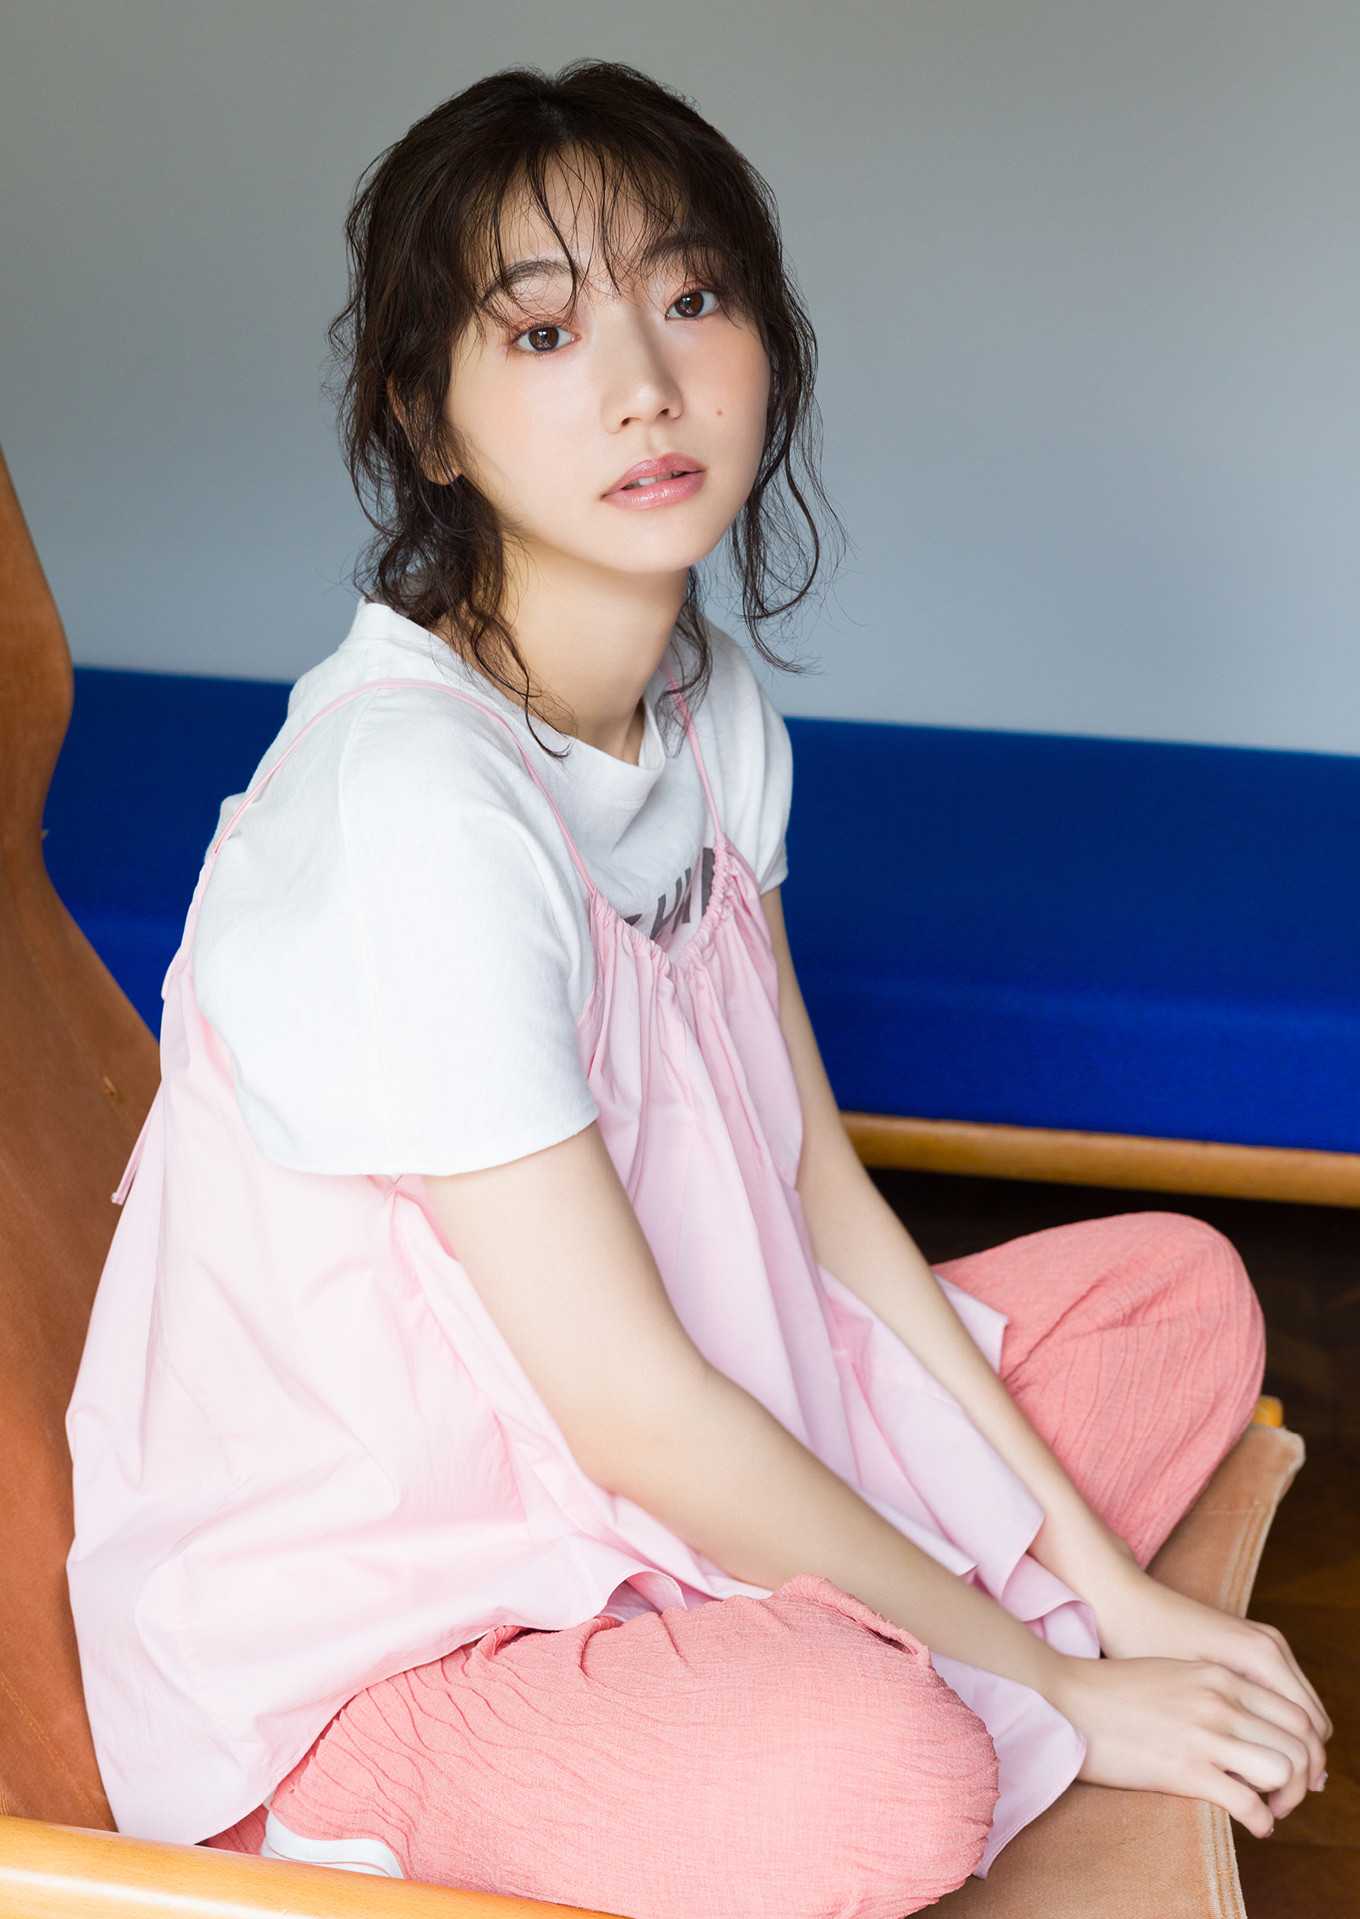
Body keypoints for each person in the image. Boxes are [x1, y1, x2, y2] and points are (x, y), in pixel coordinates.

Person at [65, 56, 1329, 1919]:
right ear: (426, 420)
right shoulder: (413, 805)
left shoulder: (702, 702)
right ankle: (878, 1691)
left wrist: (1121, 1601)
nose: (645, 385)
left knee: (1184, 1296)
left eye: (692, 296)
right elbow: (630, 1411)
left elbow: (818, 1189)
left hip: (698, 1421)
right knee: (890, 1778)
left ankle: (831, 1649)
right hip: (410, 1628)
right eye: (544, 331)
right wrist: (1064, 1679)